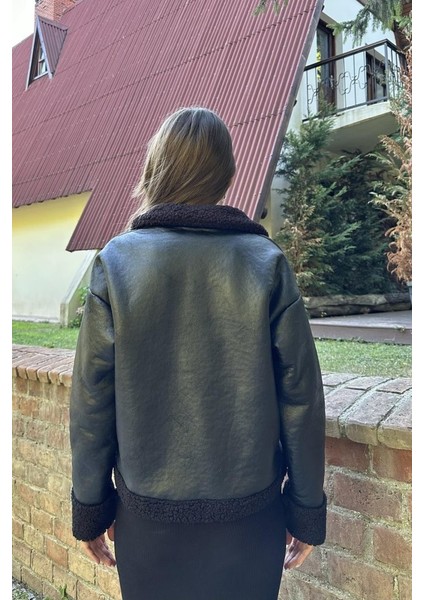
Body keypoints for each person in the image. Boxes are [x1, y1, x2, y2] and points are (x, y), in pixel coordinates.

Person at [70, 106, 327, 600]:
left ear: (156, 167)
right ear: (226, 174)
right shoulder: (267, 263)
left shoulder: (115, 263)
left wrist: (91, 508)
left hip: (147, 522)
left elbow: (91, 403)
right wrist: (305, 510)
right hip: (252, 521)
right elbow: (301, 400)